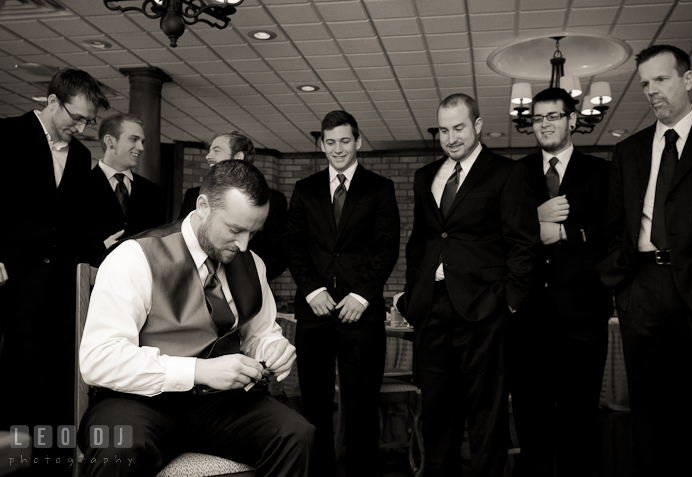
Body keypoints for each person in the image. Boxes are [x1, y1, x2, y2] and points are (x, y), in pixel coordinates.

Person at [78, 160, 314, 477]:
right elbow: (99, 360)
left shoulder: (252, 263)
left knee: (297, 435)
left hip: (219, 405)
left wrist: (271, 348)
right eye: (235, 229)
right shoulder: (134, 256)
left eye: (253, 233)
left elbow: (260, 333)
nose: (244, 245)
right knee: (116, 448)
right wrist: (199, 370)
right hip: (138, 400)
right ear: (203, 206)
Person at [399, 93, 538, 476]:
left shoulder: (507, 173)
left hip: (485, 309)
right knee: (438, 413)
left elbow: (523, 243)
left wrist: (510, 302)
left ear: (477, 125)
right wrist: (413, 295)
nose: (451, 137)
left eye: (459, 127)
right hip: (433, 310)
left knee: (486, 414)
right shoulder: (425, 176)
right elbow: (422, 241)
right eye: (443, 130)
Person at [597, 44, 692, 477]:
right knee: (648, 412)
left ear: (687, 79)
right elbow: (615, 227)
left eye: (661, 79)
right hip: (642, 290)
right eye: (645, 83)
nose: (652, 91)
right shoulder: (628, 152)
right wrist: (622, 284)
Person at [0, 68, 109, 476]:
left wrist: (110, 262)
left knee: (60, 380)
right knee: (22, 380)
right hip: (15, 281)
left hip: (62, 288)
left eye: (87, 121)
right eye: (75, 117)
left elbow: (75, 223)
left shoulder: (80, 157)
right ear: (51, 101)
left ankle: (55, 463)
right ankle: (19, 463)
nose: (80, 128)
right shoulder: (7, 135)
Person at [285, 110, 400, 477]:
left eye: (345, 141)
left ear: (358, 141)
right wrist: (313, 289)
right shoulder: (305, 189)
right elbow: (295, 246)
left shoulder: (379, 188)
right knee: (315, 408)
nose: (337, 149)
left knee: (362, 408)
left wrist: (362, 295)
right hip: (314, 314)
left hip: (361, 316)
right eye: (330, 142)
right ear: (321, 144)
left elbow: (387, 248)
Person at [510, 88, 612, 477]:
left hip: (583, 315)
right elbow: (499, 235)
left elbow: (613, 234)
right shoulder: (515, 173)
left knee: (580, 412)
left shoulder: (601, 171)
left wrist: (566, 233)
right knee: (530, 411)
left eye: (553, 116)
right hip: (529, 315)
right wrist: (535, 222)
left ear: (572, 120)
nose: (544, 124)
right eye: (537, 118)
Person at [179, 131, 288, 281]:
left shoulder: (273, 201)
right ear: (202, 204)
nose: (208, 156)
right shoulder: (194, 195)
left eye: (216, 150)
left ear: (238, 157)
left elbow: (280, 253)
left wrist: (251, 280)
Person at [88, 113, 164, 265]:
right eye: (133, 139)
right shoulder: (79, 186)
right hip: (92, 282)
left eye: (142, 141)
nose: (141, 147)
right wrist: (101, 248)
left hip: (140, 283)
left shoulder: (153, 192)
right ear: (110, 141)